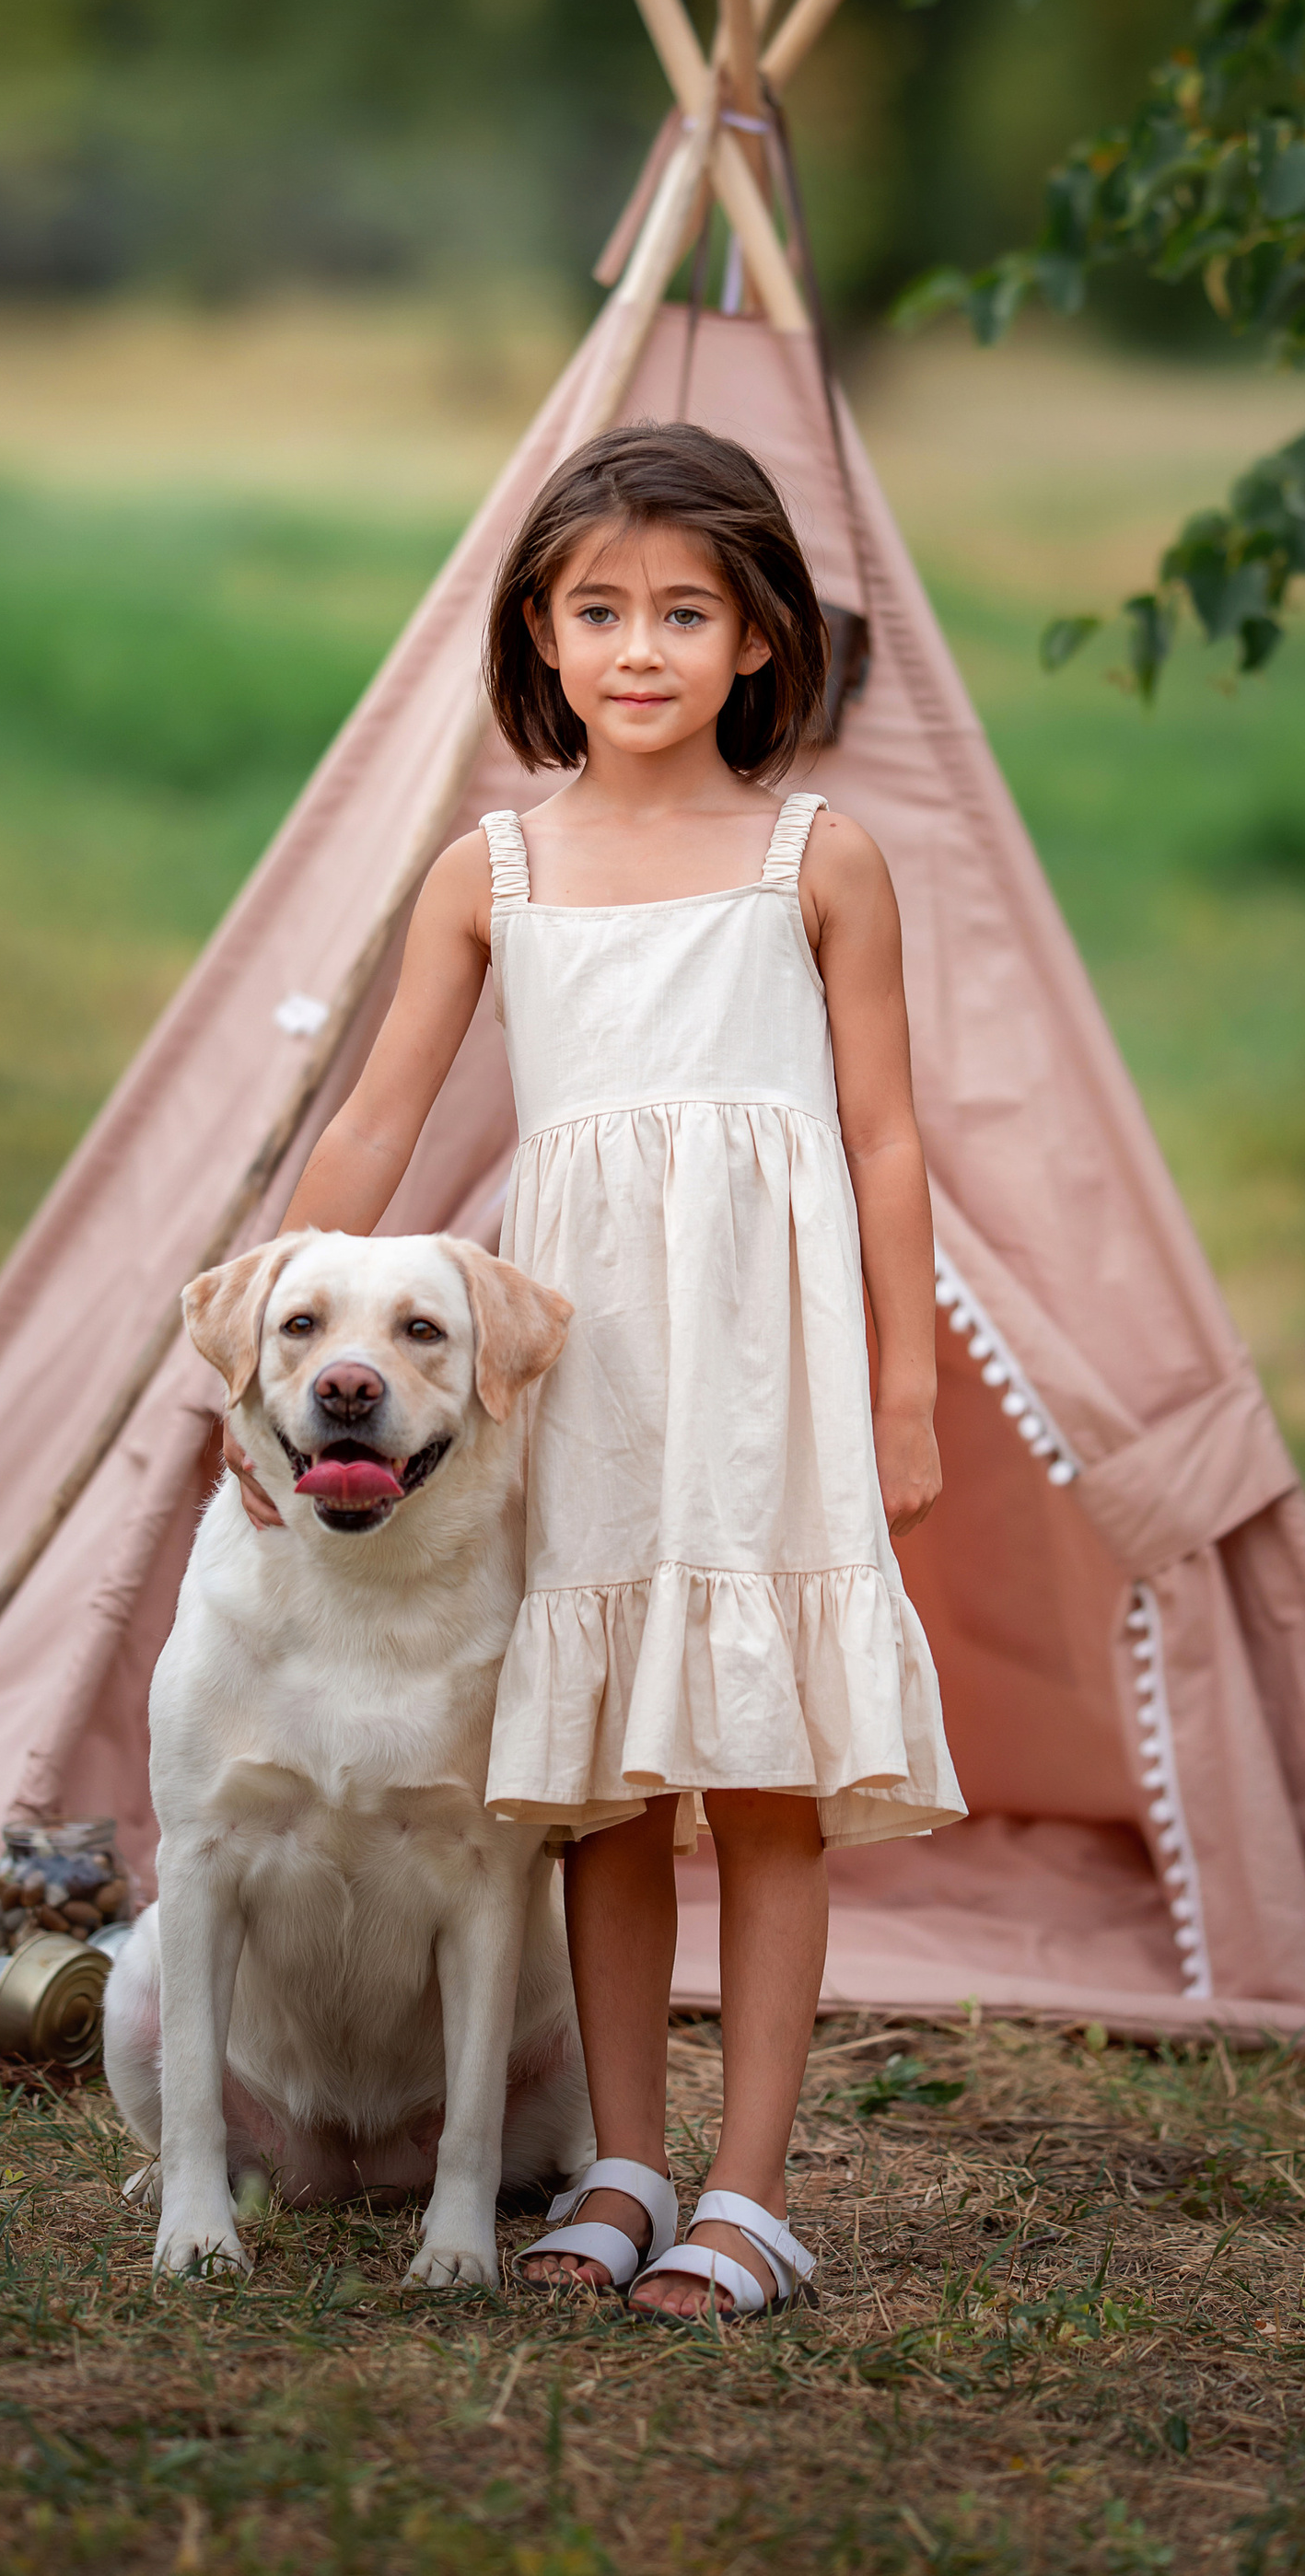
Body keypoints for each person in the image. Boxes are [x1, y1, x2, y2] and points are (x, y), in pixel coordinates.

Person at [273, 419, 962, 2320]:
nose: (638, 646)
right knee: (594, 1788)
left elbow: (889, 1142)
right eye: (598, 610)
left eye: (684, 611)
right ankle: (622, 2165)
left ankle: (748, 2192)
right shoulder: (490, 872)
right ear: (539, 635)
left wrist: (904, 1391)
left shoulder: (818, 857)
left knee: (757, 1775)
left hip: (766, 1367)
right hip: (571, 1368)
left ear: (759, 643)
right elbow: (377, 1124)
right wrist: (267, 1312)